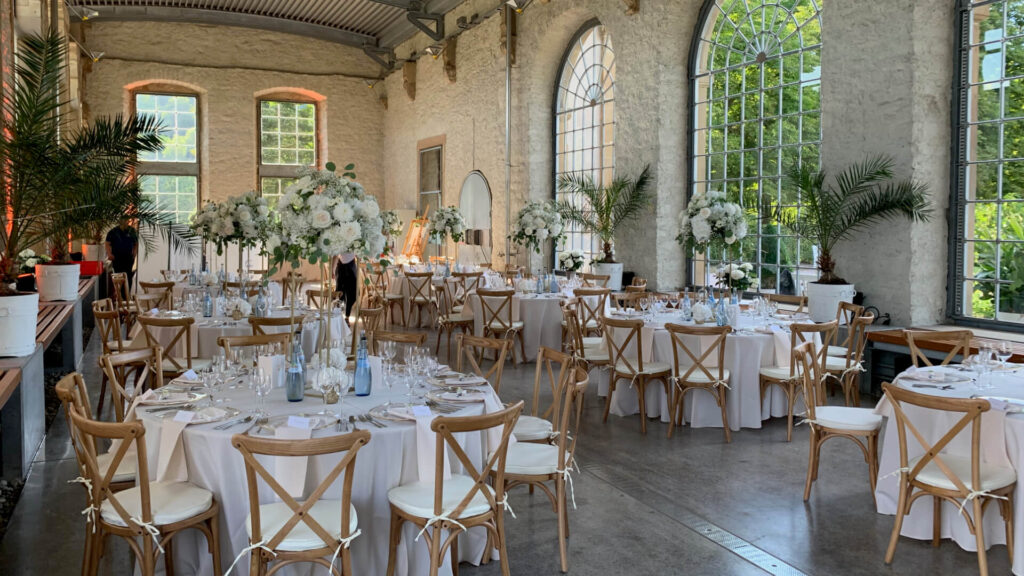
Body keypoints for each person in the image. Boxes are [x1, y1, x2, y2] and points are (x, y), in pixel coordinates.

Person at [105, 219, 138, 290]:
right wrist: (109, 254)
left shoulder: (132, 231)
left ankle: (127, 296)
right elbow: (107, 243)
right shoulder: (113, 231)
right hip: (117, 258)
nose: (125, 222)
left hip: (128, 258)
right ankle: (119, 296)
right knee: (118, 277)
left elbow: (136, 244)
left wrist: (134, 254)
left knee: (128, 276)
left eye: (126, 221)